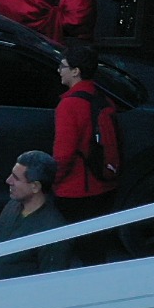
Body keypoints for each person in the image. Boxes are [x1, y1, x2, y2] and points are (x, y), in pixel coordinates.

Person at [51, 46, 122, 229]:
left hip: (75, 190)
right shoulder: (105, 100)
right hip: (105, 185)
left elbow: (64, 155)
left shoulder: (69, 105)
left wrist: (53, 181)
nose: (59, 70)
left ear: (76, 71)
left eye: (63, 66)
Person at [0, 151, 74, 280]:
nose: (8, 181)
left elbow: (51, 285)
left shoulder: (53, 234)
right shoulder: (12, 205)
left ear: (35, 187)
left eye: (16, 178)